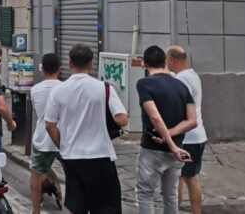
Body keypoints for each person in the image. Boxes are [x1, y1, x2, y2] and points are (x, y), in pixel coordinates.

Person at [44, 44, 128, 214]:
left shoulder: (58, 91)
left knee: (76, 205)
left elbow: (49, 124)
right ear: (91, 64)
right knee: (106, 206)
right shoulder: (104, 88)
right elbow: (122, 119)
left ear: (69, 64)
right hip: (100, 157)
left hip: (72, 157)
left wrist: (62, 145)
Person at [136, 46, 197, 214]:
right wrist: (173, 140)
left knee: (145, 194)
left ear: (144, 64)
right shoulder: (181, 86)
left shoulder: (144, 84)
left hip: (152, 149)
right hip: (177, 149)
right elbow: (192, 121)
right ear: (165, 62)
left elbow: (155, 117)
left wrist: (169, 142)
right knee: (170, 195)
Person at [167, 45, 206, 214]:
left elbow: (178, 107)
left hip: (187, 138)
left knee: (186, 178)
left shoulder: (181, 80)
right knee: (185, 177)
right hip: (197, 136)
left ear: (171, 60)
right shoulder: (192, 75)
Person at [30, 53, 62, 214]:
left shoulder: (35, 90)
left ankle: (36, 211)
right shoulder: (65, 88)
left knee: (36, 174)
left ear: (42, 69)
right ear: (60, 69)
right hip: (62, 140)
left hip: (42, 139)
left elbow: (38, 112)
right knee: (73, 176)